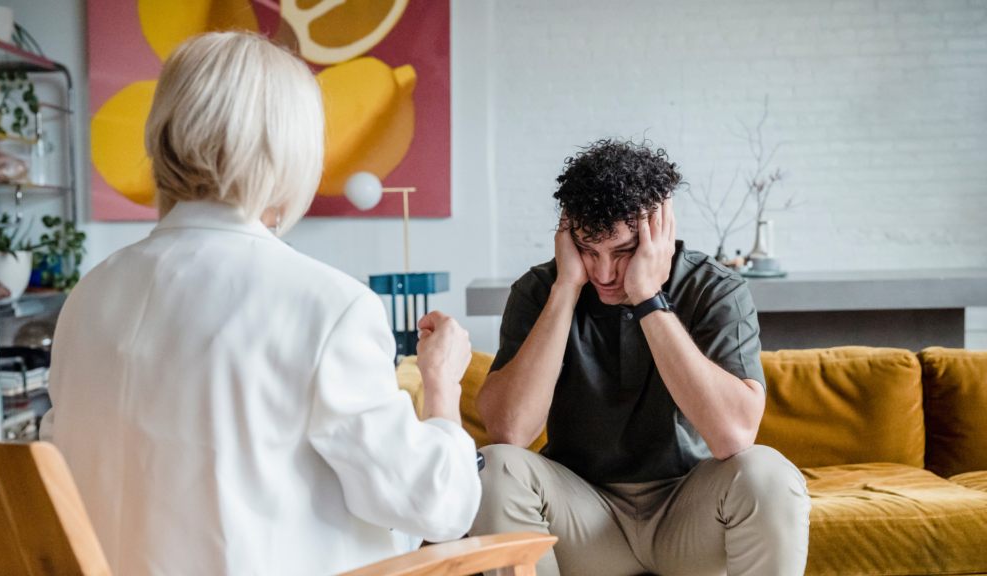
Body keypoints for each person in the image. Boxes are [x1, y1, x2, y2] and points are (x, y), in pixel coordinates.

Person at [40, 32, 480, 576]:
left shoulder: (89, 295)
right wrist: (442, 388)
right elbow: (436, 507)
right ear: (292, 150)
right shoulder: (330, 307)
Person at [469, 139, 810, 576]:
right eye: (589, 251)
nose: (606, 273)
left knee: (769, 474)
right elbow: (509, 431)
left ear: (660, 229)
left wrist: (648, 298)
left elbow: (734, 436)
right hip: (584, 518)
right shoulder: (542, 290)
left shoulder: (714, 289)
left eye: (623, 251)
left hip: (688, 515)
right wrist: (567, 289)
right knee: (493, 468)